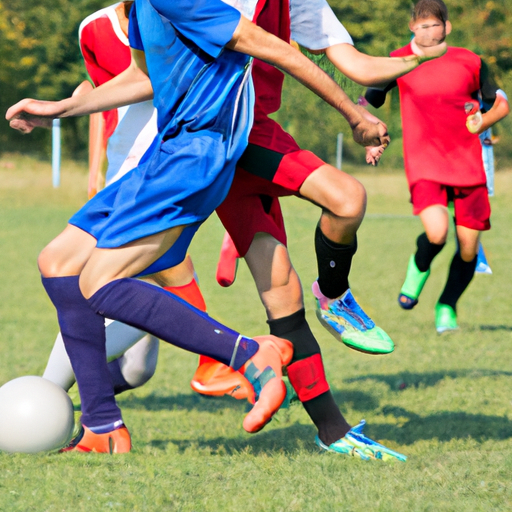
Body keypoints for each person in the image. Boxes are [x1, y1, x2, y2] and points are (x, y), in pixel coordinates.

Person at [7, 0, 391, 454]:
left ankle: (249, 354)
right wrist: (61, 109)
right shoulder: (141, 7)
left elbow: (280, 51)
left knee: (98, 281)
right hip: (166, 153)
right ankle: (103, 427)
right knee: (56, 261)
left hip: (200, 154)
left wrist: (355, 114)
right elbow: (142, 77)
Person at [191, 0, 444, 457]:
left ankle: (333, 432)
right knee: (347, 197)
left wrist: (418, 57)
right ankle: (333, 295)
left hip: (252, 132)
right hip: (225, 136)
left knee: (283, 298)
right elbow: (284, 58)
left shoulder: (302, 2)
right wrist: (354, 114)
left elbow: (356, 64)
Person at [42, 1, 207, 397]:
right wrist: (95, 170)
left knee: (137, 369)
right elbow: (103, 100)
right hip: (129, 170)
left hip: (176, 166)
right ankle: (47, 394)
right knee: (133, 279)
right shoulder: (93, 29)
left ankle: (59, 397)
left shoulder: (187, 16)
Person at [364, 0, 509, 333]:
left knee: (469, 249)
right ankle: (417, 274)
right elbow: (367, 101)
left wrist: (483, 121)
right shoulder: (399, 60)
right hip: (425, 161)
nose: (430, 31)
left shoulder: (471, 62)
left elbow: (500, 102)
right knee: (437, 232)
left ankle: (447, 305)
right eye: (422, 25)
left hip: (469, 163)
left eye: (436, 24)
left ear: (448, 27)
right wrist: (371, 136)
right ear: (412, 28)